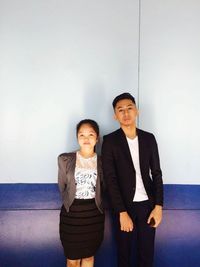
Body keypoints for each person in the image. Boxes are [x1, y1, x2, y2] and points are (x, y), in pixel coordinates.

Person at [101, 93, 163, 267]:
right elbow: (110, 179)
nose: (126, 113)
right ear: (115, 115)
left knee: (146, 255)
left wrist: (158, 207)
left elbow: (157, 173)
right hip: (123, 206)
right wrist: (121, 212)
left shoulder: (149, 138)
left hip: (147, 205)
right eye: (120, 110)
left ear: (137, 111)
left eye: (129, 108)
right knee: (124, 255)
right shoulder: (110, 141)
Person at [58, 119, 104, 267]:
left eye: (90, 134)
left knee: (89, 257)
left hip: (94, 214)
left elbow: (105, 187)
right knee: (72, 260)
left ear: (97, 138)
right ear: (77, 137)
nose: (86, 139)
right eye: (81, 135)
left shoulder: (103, 162)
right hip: (71, 215)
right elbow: (62, 185)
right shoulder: (65, 159)